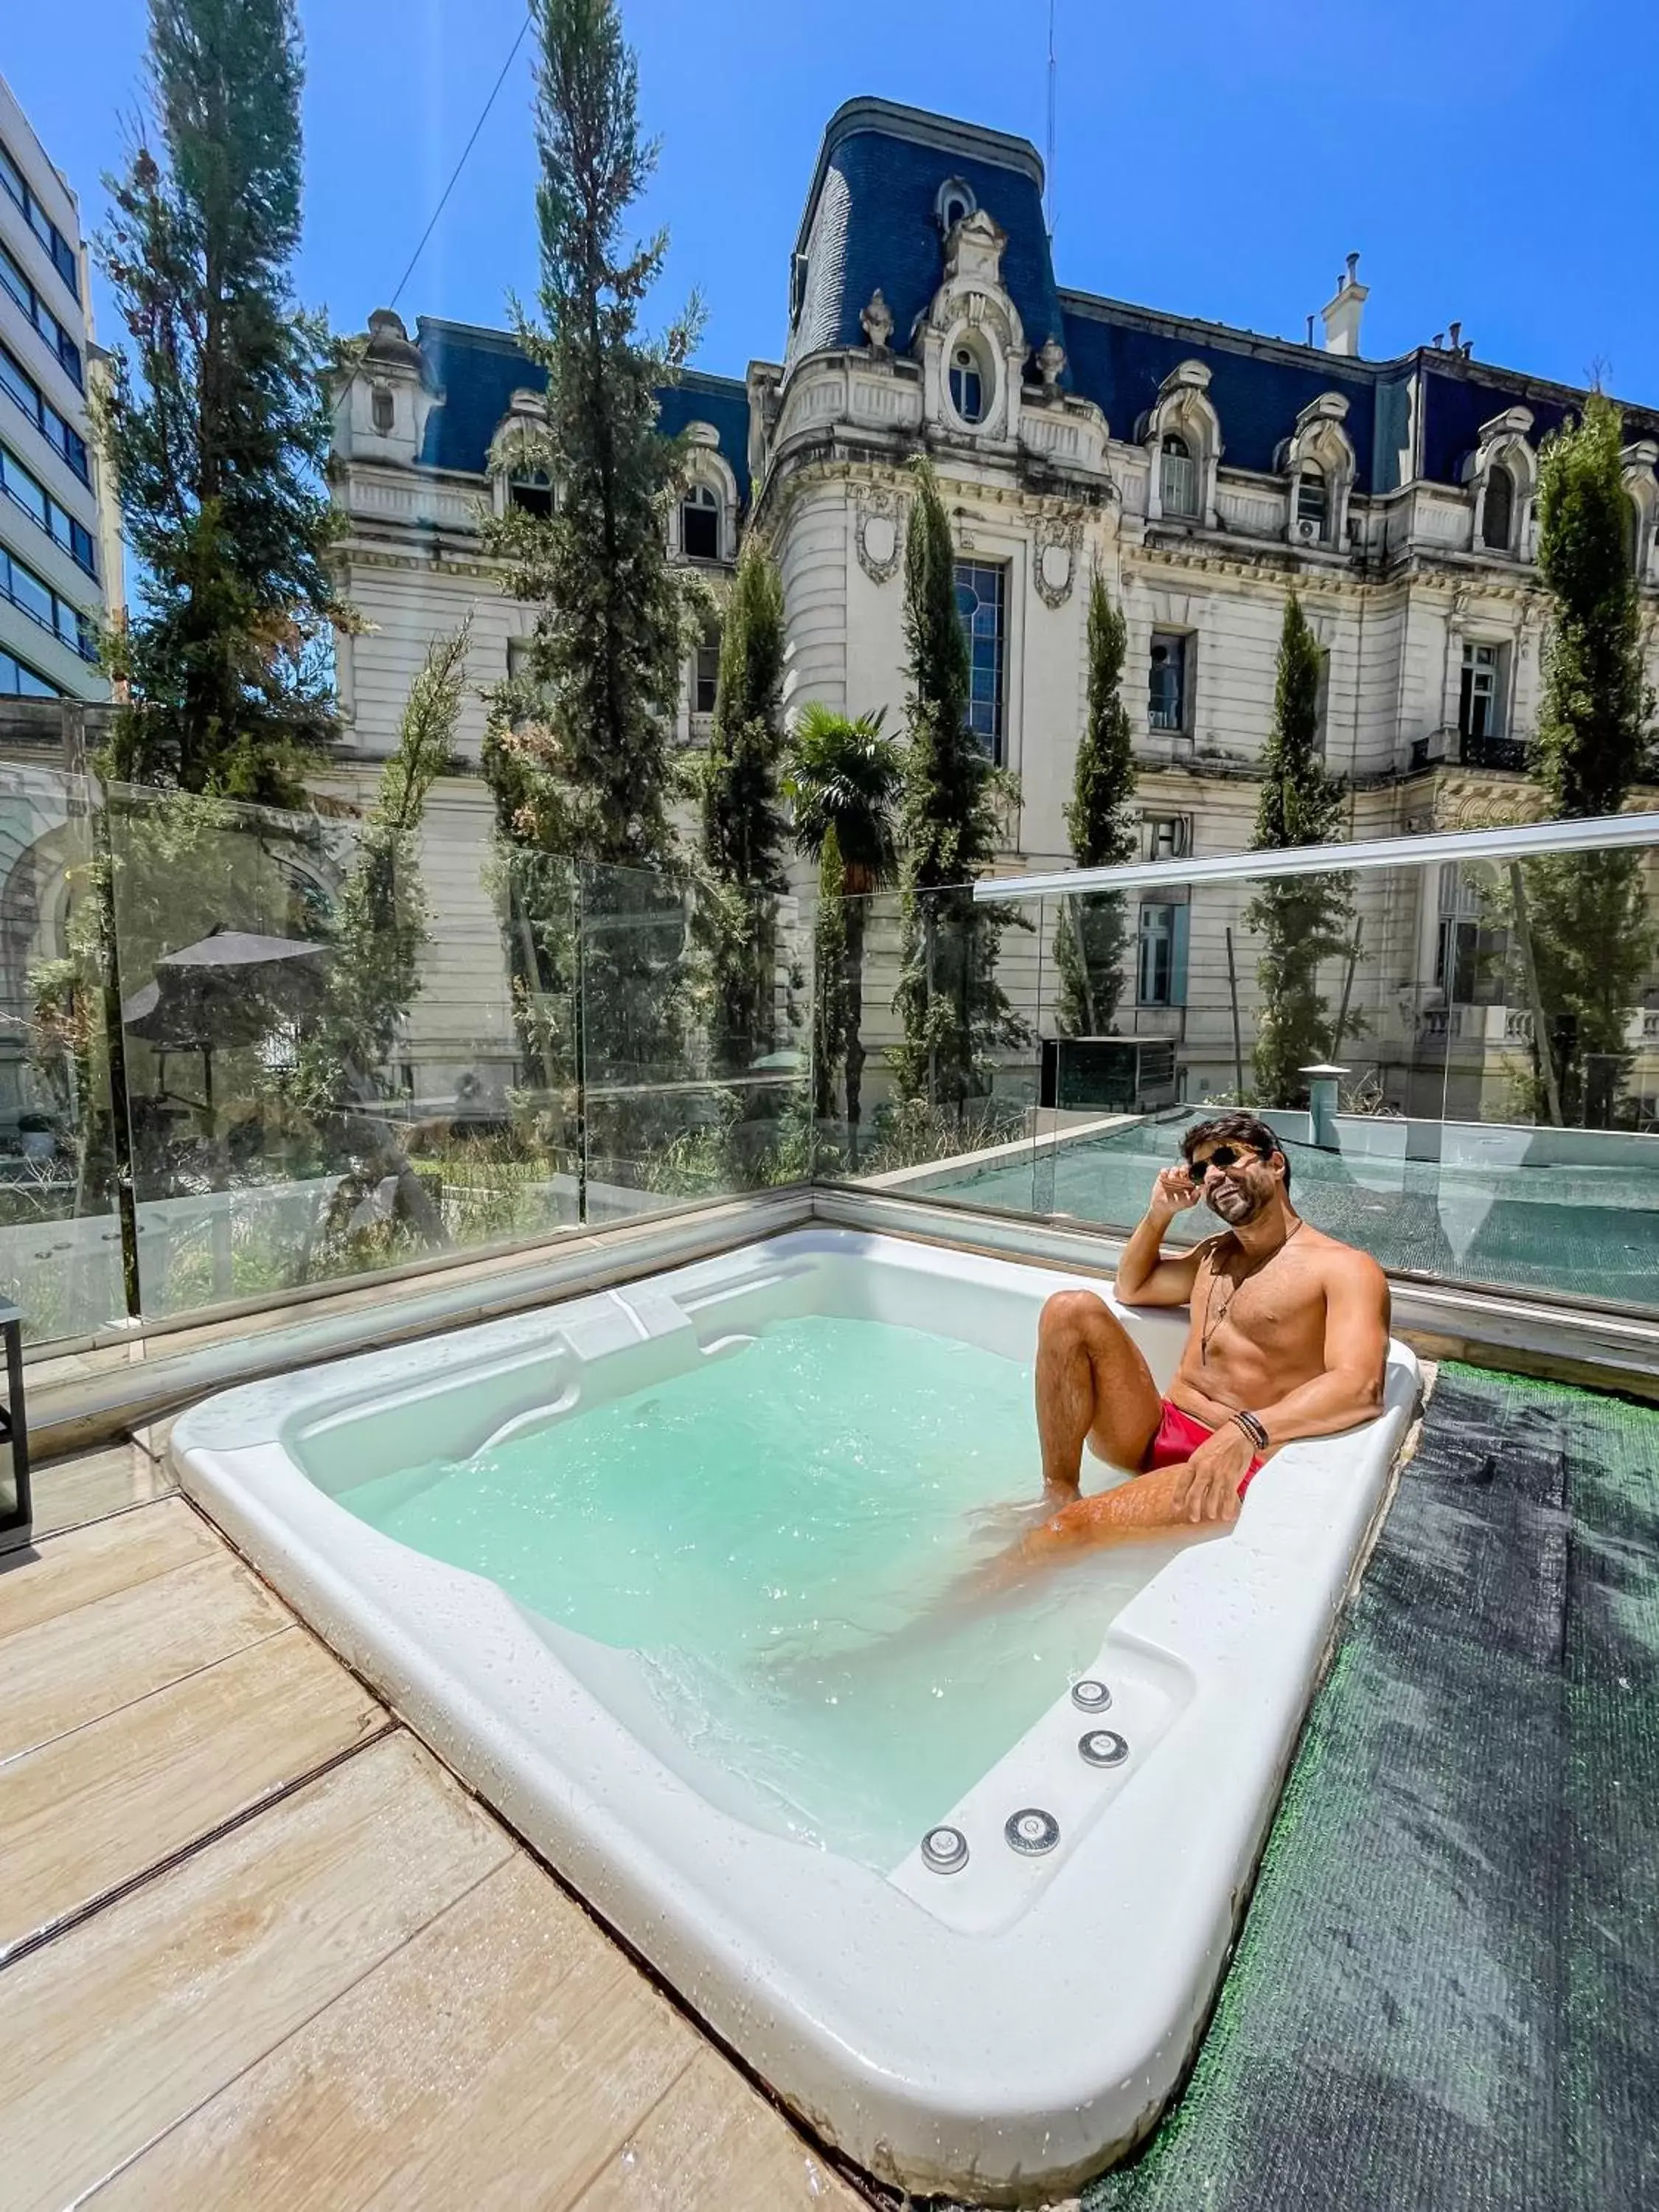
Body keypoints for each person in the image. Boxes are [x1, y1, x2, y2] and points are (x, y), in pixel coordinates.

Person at [1015, 1110, 1390, 1568]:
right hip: (1158, 1430)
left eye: (1227, 1157)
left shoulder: (1344, 1268)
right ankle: (1058, 1489)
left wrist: (1246, 1430)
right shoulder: (1213, 1254)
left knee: (1064, 1534)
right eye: (1200, 1169)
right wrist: (1158, 1214)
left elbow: (1360, 1387)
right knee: (1069, 1308)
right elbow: (1131, 1288)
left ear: (1276, 1164)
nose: (1213, 1175)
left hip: (1231, 1462)